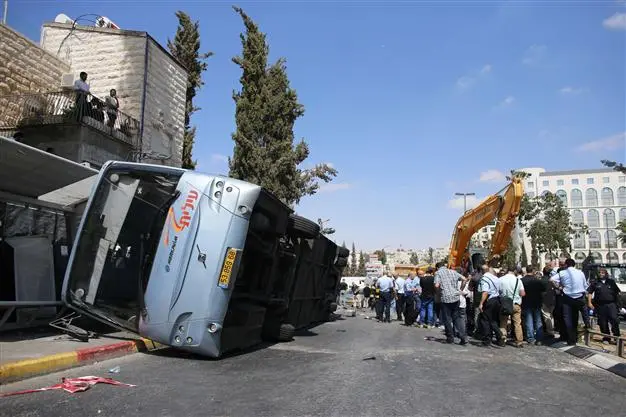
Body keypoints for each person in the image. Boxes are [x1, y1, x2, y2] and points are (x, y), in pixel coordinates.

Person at [550, 258, 588, 345]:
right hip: (579, 297)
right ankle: (575, 337)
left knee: (567, 319)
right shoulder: (580, 272)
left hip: (567, 297)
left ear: (566, 265)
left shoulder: (563, 272)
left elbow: (551, 279)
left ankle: (570, 339)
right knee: (575, 318)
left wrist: (559, 287)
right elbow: (585, 285)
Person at [434, 261, 468, 345]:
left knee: (447, 319)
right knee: (457, 318)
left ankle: (450, 338)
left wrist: (438, 293)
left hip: (445, 298)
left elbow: (436, 285)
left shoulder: (438, 273)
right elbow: (464, 279)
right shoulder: (453, 272)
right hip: (455, 298)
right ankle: (463, 336)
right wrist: (460, 289)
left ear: (437, 267)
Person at [587, 268, 621, 344]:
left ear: (606, 274)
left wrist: (619, 304)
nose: (601, 274)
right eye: (599, 272)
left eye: (603, 272)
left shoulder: (611, 282)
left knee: (614, 319)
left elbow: (617, 293)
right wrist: (589, 303)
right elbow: (589, 292)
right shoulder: (595, 282)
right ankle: (606, 337)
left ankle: (617, 336)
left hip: (611, 304)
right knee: (603, 322)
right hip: (600, 305)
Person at [498, 265, 526, 348]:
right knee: (517, 323)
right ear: (515, 271)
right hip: (516, 304)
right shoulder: (518, 280)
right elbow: (522, 293)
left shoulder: (501, 279)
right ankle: (519, 341)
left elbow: (498, 291)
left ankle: (502, 339)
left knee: (503, 322)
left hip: (504, 304)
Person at [478, 265, 502, 346]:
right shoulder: (495, 277)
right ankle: (499, 336)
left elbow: (485, 292)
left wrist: (481, 303)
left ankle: (487, 340)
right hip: (497, 300)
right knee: (493, 320)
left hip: (489, 300)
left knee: (485, 320)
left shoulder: (484, 278)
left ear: (482, 271)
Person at [522, 265, 546, 345]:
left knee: (529, 321)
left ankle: (531, 338)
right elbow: (543, 290)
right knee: (538, 321)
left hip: (526, 302)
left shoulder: (522, 280)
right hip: (537, 302)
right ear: (533, 271)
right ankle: (539, 339)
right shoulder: (538, 281)